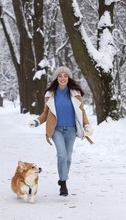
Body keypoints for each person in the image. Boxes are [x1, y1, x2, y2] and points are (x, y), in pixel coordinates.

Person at [29, 66, 93, 196]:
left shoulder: (75, 93)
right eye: (60, 76)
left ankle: (62, 178)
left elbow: (82, 112)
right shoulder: (50, 95)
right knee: (62, 155)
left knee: (68, 158)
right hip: (56, 130)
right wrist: (36, 121)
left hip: (71, 130)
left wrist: (86, 126)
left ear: (68, 78)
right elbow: (45, 113)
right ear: (56, 78)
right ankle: (63, 184)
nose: (62, 78)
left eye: (65, 76)